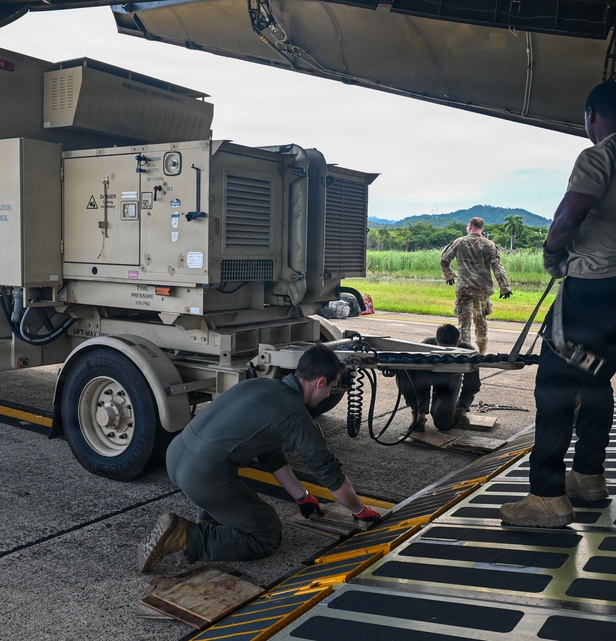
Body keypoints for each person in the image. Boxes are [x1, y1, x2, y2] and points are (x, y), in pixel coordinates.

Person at [499, 80, 616, 528]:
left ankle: (546, 497)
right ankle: (589, 476)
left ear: (592, 114)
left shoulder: (600, 154)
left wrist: (553, 254)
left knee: (555, 384)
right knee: (596, 377)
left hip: (592, 285)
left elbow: (567, 216)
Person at [137, 343, 382, 572]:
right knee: (266, 534)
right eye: (331, 387)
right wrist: (360, 510)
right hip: (203, 476)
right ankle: (187, 536)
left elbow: (271, 454)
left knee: (222, 469)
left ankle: (210, 520)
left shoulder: (262, 386)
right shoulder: (295, 415)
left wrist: (302, 496)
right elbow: (329, 474)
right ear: (320, 383)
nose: (329, 394)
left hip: (177, 455)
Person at [440, 217, 512, 355]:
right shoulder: (489, 244)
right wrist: (505, 287)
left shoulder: (459, 242)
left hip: (464, 289)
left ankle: (464, 352)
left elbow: (444, 259)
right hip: (482, 289)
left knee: (464, 323)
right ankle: (482, 352)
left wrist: (449, 275)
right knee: (481, 321)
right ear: (482, 229)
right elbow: (498, 267)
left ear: (470, 226)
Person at [397, 323, 482, 431]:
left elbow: (472, 384)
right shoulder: (426, 345)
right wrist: (418, 408)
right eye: (442, 349)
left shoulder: (468, 352)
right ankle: (419, 414)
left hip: (449, 383)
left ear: (459, 343)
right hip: (424, 381)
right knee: (401, 369)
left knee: (443, 424)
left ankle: (452, 412)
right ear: (436, 341)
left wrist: (462, 408)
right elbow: (408, 374)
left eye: (450, 350)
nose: (445, 354)